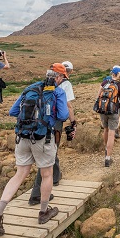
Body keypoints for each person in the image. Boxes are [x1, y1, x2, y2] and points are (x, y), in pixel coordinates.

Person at [0, 66, 69, 235]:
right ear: (58, 77)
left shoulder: (29, 88)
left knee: (19, 175)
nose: (63, 81)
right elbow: (63, 115)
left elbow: (13, 111)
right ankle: (44, 212)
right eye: (63, 78)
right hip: (43, 139)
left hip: (22, 137)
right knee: (46, 174)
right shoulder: (57, 92)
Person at [28, 62, 75, 205]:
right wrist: (73, 122)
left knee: (49, 155)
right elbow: (66, 109)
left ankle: (55, 177)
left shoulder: (36, 86)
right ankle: (36, 194)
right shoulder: (62, 87)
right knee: (48, 157)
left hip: (35, 125)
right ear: (60, 75)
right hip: (54, 126)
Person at [98, 66, 120, 167]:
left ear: (112, 74)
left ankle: (106, 150)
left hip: (103, 109)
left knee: (105, 130)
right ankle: (108, 158)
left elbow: (98, 96)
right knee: (111, 133)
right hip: (114, 111)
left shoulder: (105, 82)